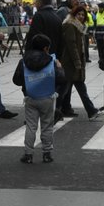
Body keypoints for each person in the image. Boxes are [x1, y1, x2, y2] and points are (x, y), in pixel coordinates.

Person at [13, 33, 65, 164]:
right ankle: (47, 154)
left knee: (31, 126)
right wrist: (59, 67)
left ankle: (28, 154)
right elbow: (61, 79)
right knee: (47, 126)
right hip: (47, 97)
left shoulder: (24, 61)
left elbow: (16, 80)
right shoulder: (51, 61)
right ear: (46, 48)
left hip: (30, 97)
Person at [58, 2, 99, 120]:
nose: (81, 16)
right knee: (65, 90)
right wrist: (77, 62)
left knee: (75, 89)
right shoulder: (70, 25)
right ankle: (54, 110)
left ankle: (91, 111)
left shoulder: (79, 27)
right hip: (70, 63)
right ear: (74, 15)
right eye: (78, 14)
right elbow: (72, 46)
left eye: (83, 15)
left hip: (75, 63)